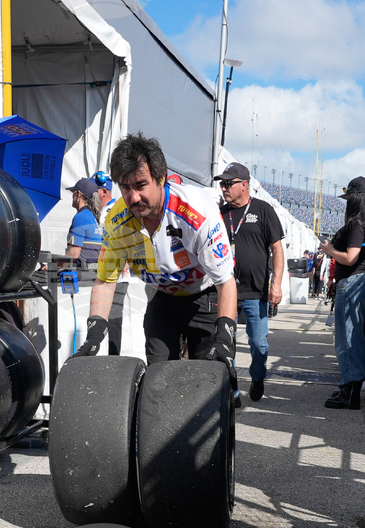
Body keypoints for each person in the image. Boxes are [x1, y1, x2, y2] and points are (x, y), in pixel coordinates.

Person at [72, 132, 240, 405]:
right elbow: (105, 280)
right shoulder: (116, 220)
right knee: (158, 378)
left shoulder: (196, 212)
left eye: (140, 185)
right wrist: (94, 335)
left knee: (210, 380)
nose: (134, 197)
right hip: (165, 297)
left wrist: (225, 338)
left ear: (161, 179)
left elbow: (226, 282)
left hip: (206, 296)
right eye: (125, 188)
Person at [215, 162, 284, 402]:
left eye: (228, 183)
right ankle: (232, 389)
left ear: (244, 185)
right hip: (226, 290)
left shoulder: (263, 210)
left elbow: (277, 248)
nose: (224, 188)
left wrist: (276, 284)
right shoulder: (220, 214)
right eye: (222, 183)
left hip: (255, 291)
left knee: (259, 343)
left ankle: (257, 376)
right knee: (227, 343)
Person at [318, 176, 365, 409]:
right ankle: (352, 387)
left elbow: (350, 257)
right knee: (357, 337)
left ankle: (349, 390)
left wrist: (329, 249)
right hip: (364, 280)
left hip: (352, 282)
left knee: (346, 339)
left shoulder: (356, 224)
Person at [92, 170, 128, 355]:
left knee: (114, 319)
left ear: (104, 191)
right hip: (106, 272)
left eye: (95, 190)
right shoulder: (103, 211)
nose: (92, 195)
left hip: (119, 274)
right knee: (101, 316)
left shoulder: (118, 208)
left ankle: (114, 356)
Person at [64, 177, 103, 274]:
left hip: (82, 274)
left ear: (78, 194)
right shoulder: (94, 217)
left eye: (73, 192)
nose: (72, 196)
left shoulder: (81, 217)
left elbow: (74, 254)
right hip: (94, 273)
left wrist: (53, 265)